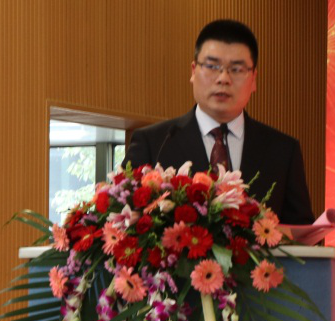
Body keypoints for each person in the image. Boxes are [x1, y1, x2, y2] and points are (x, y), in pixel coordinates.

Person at [125, 19, 315, 225]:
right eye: (212, 66)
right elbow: (122, 223)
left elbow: (303, 234)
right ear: (193, 71)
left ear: (253, 79)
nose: (223, 78)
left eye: (237, 69)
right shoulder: (154, 143)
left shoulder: (282, 151)